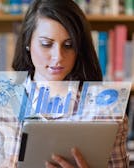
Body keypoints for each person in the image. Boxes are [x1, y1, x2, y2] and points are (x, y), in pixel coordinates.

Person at [12, 0, 129, 167]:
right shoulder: (2, 105)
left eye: (69, 45)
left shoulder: (107, 109)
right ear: (27, 43)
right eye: (46, 44)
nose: (58, 56)